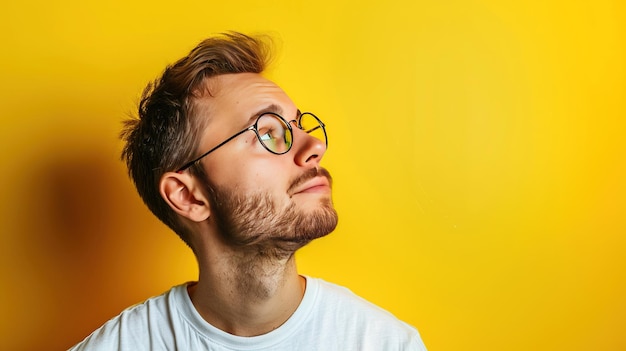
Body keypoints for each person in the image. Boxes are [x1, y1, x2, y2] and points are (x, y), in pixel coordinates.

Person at [70, 32, 427, 350]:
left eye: (298, 125)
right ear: (188, 196)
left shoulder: (386, 343)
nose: (314, 145)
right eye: (268, 132)